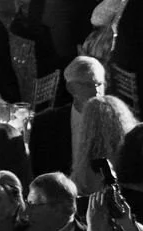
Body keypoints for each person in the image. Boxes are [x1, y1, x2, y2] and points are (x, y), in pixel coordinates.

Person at [28, 52, 106, 184]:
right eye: (88, 85)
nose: (96, 92)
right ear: (71, 88)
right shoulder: (46, 124)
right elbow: (38, 171)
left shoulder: (113, 122)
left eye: (99, 84)